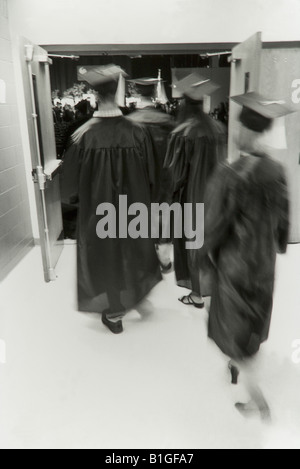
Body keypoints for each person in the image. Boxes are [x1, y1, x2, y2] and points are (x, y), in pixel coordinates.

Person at [202, 91, 292, 419]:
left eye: (237, 127)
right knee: (252, 321)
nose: (234, 131)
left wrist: (206, 255)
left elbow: (212, 226)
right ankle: (240, 361)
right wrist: (275, 244)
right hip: (263, 264)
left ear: (245, 131)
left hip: (234, 265)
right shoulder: (278, 172)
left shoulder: (230, 174)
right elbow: (283, 225)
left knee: (231, 325)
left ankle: (257, 398)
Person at [63, 65, 162, 334]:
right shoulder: (138, 132)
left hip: (99, 213)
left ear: (95, 95)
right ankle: (138, 298)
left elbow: (70, 188)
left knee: (106, 256)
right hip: (133, 209)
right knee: (132, 250)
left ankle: (116, 313)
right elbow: (153, 174)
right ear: (117, 93)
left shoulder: (82, 135)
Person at [164, 73, 227, 308]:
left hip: (192, 197)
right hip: (218, 196)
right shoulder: (218, 128)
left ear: (184, 103)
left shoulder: (183, 133)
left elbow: (176, 174)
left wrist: (171, 196)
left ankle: (197, 294)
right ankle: (217, 288)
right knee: (213, 241)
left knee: (193, 244)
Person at [127, 77, 175, 272]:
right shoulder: (167, 121)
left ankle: (143, 261)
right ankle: (164, 259)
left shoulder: (130, 122)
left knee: (139, 214)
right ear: (154, 93)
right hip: (164, 176)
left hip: (139, 178)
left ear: (137, 93)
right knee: (163, 213)